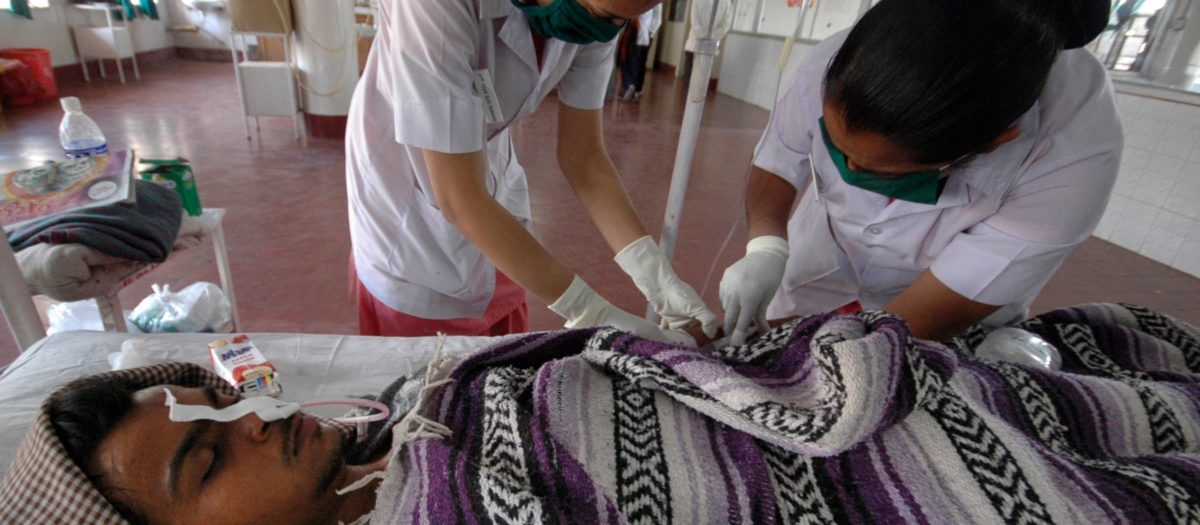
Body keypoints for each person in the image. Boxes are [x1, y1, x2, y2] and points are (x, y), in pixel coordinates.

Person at [7, 303, 1200, 523]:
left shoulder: (359, 427)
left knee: (1059, 380)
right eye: (206, 465)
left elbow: (247, 374)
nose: (251, 421)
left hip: (826, 397)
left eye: (218, 406)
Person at [345, 0, 718, 343]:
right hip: (413, 226)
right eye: (603, 13)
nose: (608, 32)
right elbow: (456, 197)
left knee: (505, 359)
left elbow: (584, 156)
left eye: (624, 20)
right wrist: (590, 311)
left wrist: (654, 273)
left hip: (490, 201)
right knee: (438, 393)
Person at [719, 0, 1122, 346]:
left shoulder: (1071, 155)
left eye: (882, 171)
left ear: (990, 144)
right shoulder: (848, 61)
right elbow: (781, 154)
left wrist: (771, 349)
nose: (850, 172)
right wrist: (766, 248)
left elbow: (900, 329)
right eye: (835, 148)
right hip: (824, 259)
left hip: (945, 307)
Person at [681, 0, 733, 86]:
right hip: (710, 46)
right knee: (701, 82)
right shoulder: (726, 1)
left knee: (689, 81)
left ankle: (688, 104)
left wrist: (703, 36)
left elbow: (695, 23)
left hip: (694, 45)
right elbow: (725, 26)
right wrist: (711, 37)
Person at [618, 3, 663, 101]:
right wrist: (651, 33)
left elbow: (658, 20)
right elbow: (657, 20)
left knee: (629, 61)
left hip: (636, 32)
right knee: (637, 62)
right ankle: (634, 89)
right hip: (643, 35)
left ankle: (629, 85)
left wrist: (651, 34)